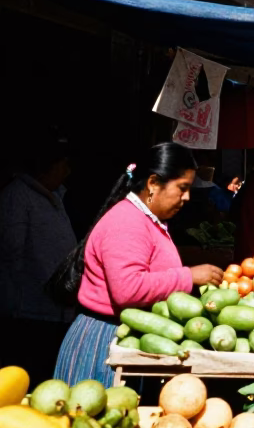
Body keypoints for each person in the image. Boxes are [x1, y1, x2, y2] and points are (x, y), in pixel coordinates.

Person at [51, 143, 225, 385]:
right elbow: (127, 289)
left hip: (128, 340)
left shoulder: (145, 220)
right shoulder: (127, 222)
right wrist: (188, 276)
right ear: (153, 183)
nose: (187, 197)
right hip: (105, 344)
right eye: (182, 188)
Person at [0, 132, 77, 381]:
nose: (67, 171)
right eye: (63, 165)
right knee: (27, 375)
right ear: (46, 167)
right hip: (29, 310)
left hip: (54, 307)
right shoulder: (18, 195)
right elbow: (12, 251)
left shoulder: (54, 195)